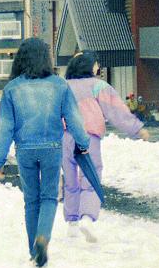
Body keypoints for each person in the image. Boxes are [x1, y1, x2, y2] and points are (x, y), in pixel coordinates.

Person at [0, 38, 91, 268]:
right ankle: (43, 238)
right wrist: (83, 143)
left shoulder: (12, 88)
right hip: (51, 149)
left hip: (25, 150)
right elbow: (74, 119)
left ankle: (33, 251)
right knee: (48, 198)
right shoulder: (59, 85)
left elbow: (5, 127)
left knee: (31, 200)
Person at [61, 52, 149, 242]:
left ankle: (72, 223)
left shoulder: (62, 86)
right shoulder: (98, 86)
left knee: (70, 179)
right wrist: (136, 129)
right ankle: (86, 218)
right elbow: (116, 111)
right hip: (88, 137)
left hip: (65, 137)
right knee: (90, 177)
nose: (98, 67)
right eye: (96, 64)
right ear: (89, 66)